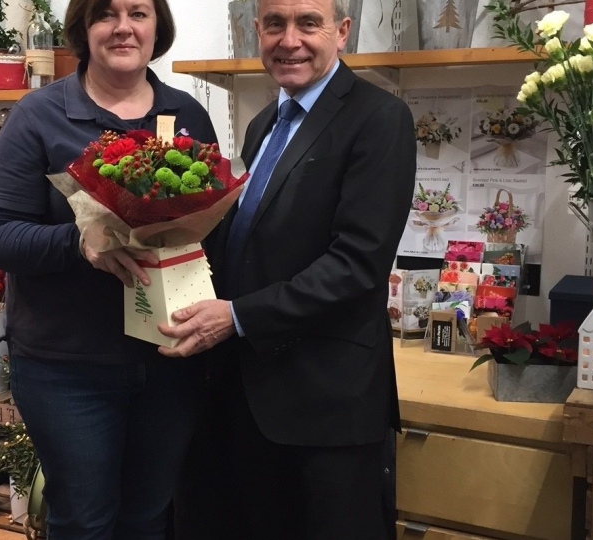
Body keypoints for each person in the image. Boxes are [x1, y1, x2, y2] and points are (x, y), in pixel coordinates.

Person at [159, 0, 416, 537]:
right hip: (253, 396)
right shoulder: (262, 125)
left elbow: (356, 266)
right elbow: (250, 245)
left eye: (308, 23)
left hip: (328, 406)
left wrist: (236, 317)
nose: (289, 39)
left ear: (342, 32)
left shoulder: (379, 118)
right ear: (257, 31)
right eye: (274, 24)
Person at [0, 0, 217, 537]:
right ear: (83, 29)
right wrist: (79, 243)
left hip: (166, 360)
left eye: (139, 12)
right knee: (83, 521)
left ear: (159, 26)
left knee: (150, 514)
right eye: (107, 14)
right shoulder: (38, 117)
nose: (124, 27)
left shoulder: (187, 115)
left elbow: (204, 227)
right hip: (67, 369)